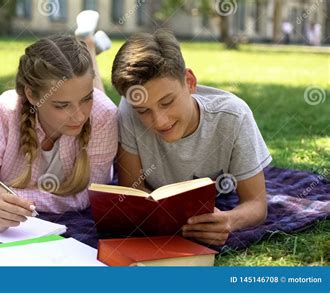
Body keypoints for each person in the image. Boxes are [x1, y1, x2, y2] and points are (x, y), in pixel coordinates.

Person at [112, 30, 271, 245]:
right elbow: (131, 189)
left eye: (167, 102)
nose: (159, 121)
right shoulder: (129, 111)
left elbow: (256, 203)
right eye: (143, 111)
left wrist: (230, 221)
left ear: (189, 81)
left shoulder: (233, 116)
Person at [0, 34, 118, 231]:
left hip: (100, 108)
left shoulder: (104, 115)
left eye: (86, 99)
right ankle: (88, 44)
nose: (80, 117)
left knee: (100, 99)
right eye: (62, 105)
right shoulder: (3, 112)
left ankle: (88, 45)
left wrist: (8, 195)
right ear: (31, 95)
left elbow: (90, 195)